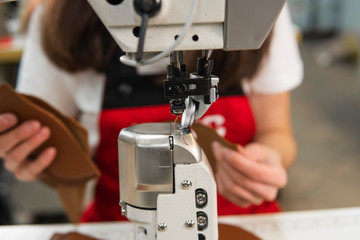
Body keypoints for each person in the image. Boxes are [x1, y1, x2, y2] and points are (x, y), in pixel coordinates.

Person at [0, 0, 303, 222]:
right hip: (121, 225)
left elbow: (276, 133)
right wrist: (37, 159)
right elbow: (58, 155)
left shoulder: (256, 11)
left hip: (240, 220)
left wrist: (268, 159)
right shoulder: (58, 23)